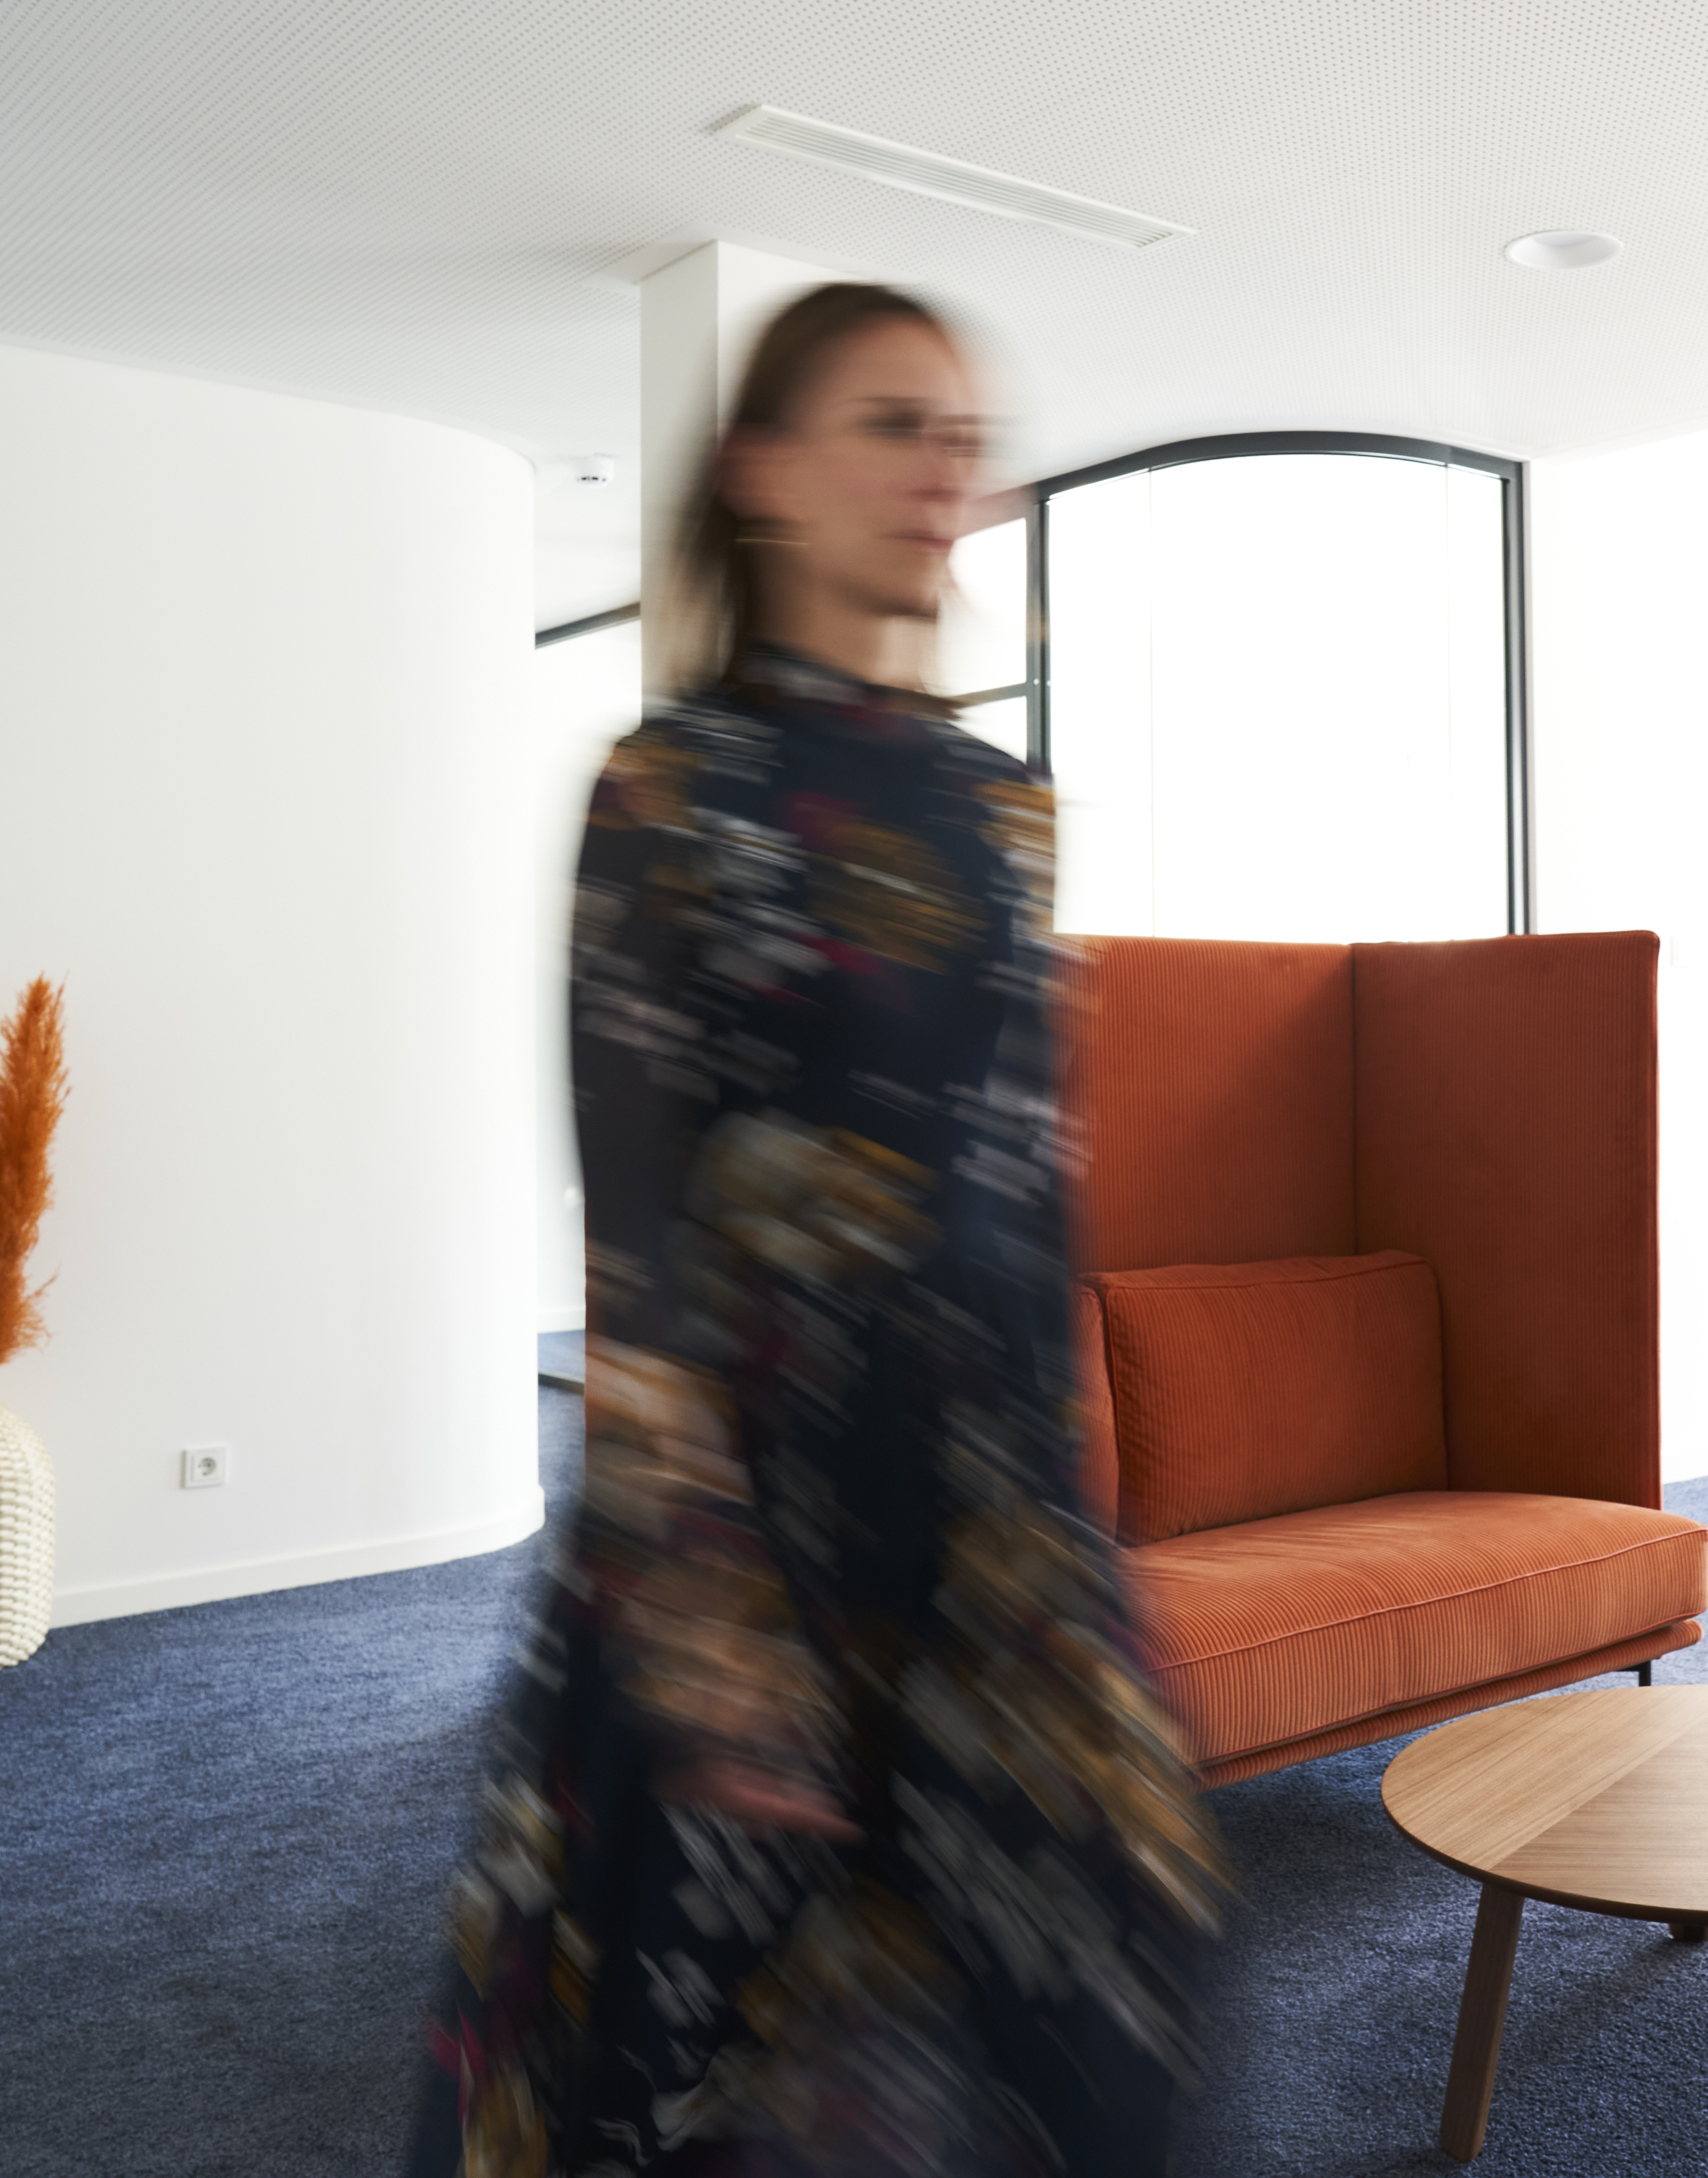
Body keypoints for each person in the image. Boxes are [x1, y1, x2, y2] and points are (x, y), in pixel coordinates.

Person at [411, 284, 1226, 2178]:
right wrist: (697, 1610)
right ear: (762, 472)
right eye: (893, 424)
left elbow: (1031, 1182)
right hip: (748, 1516)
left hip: (985, 1519)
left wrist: (1071, 1536)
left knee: (1104, 2003)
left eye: (964, 436)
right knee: (693, 2059)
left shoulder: (1008, 810)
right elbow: (634, 1234)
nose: (947, 470)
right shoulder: (667, 791)